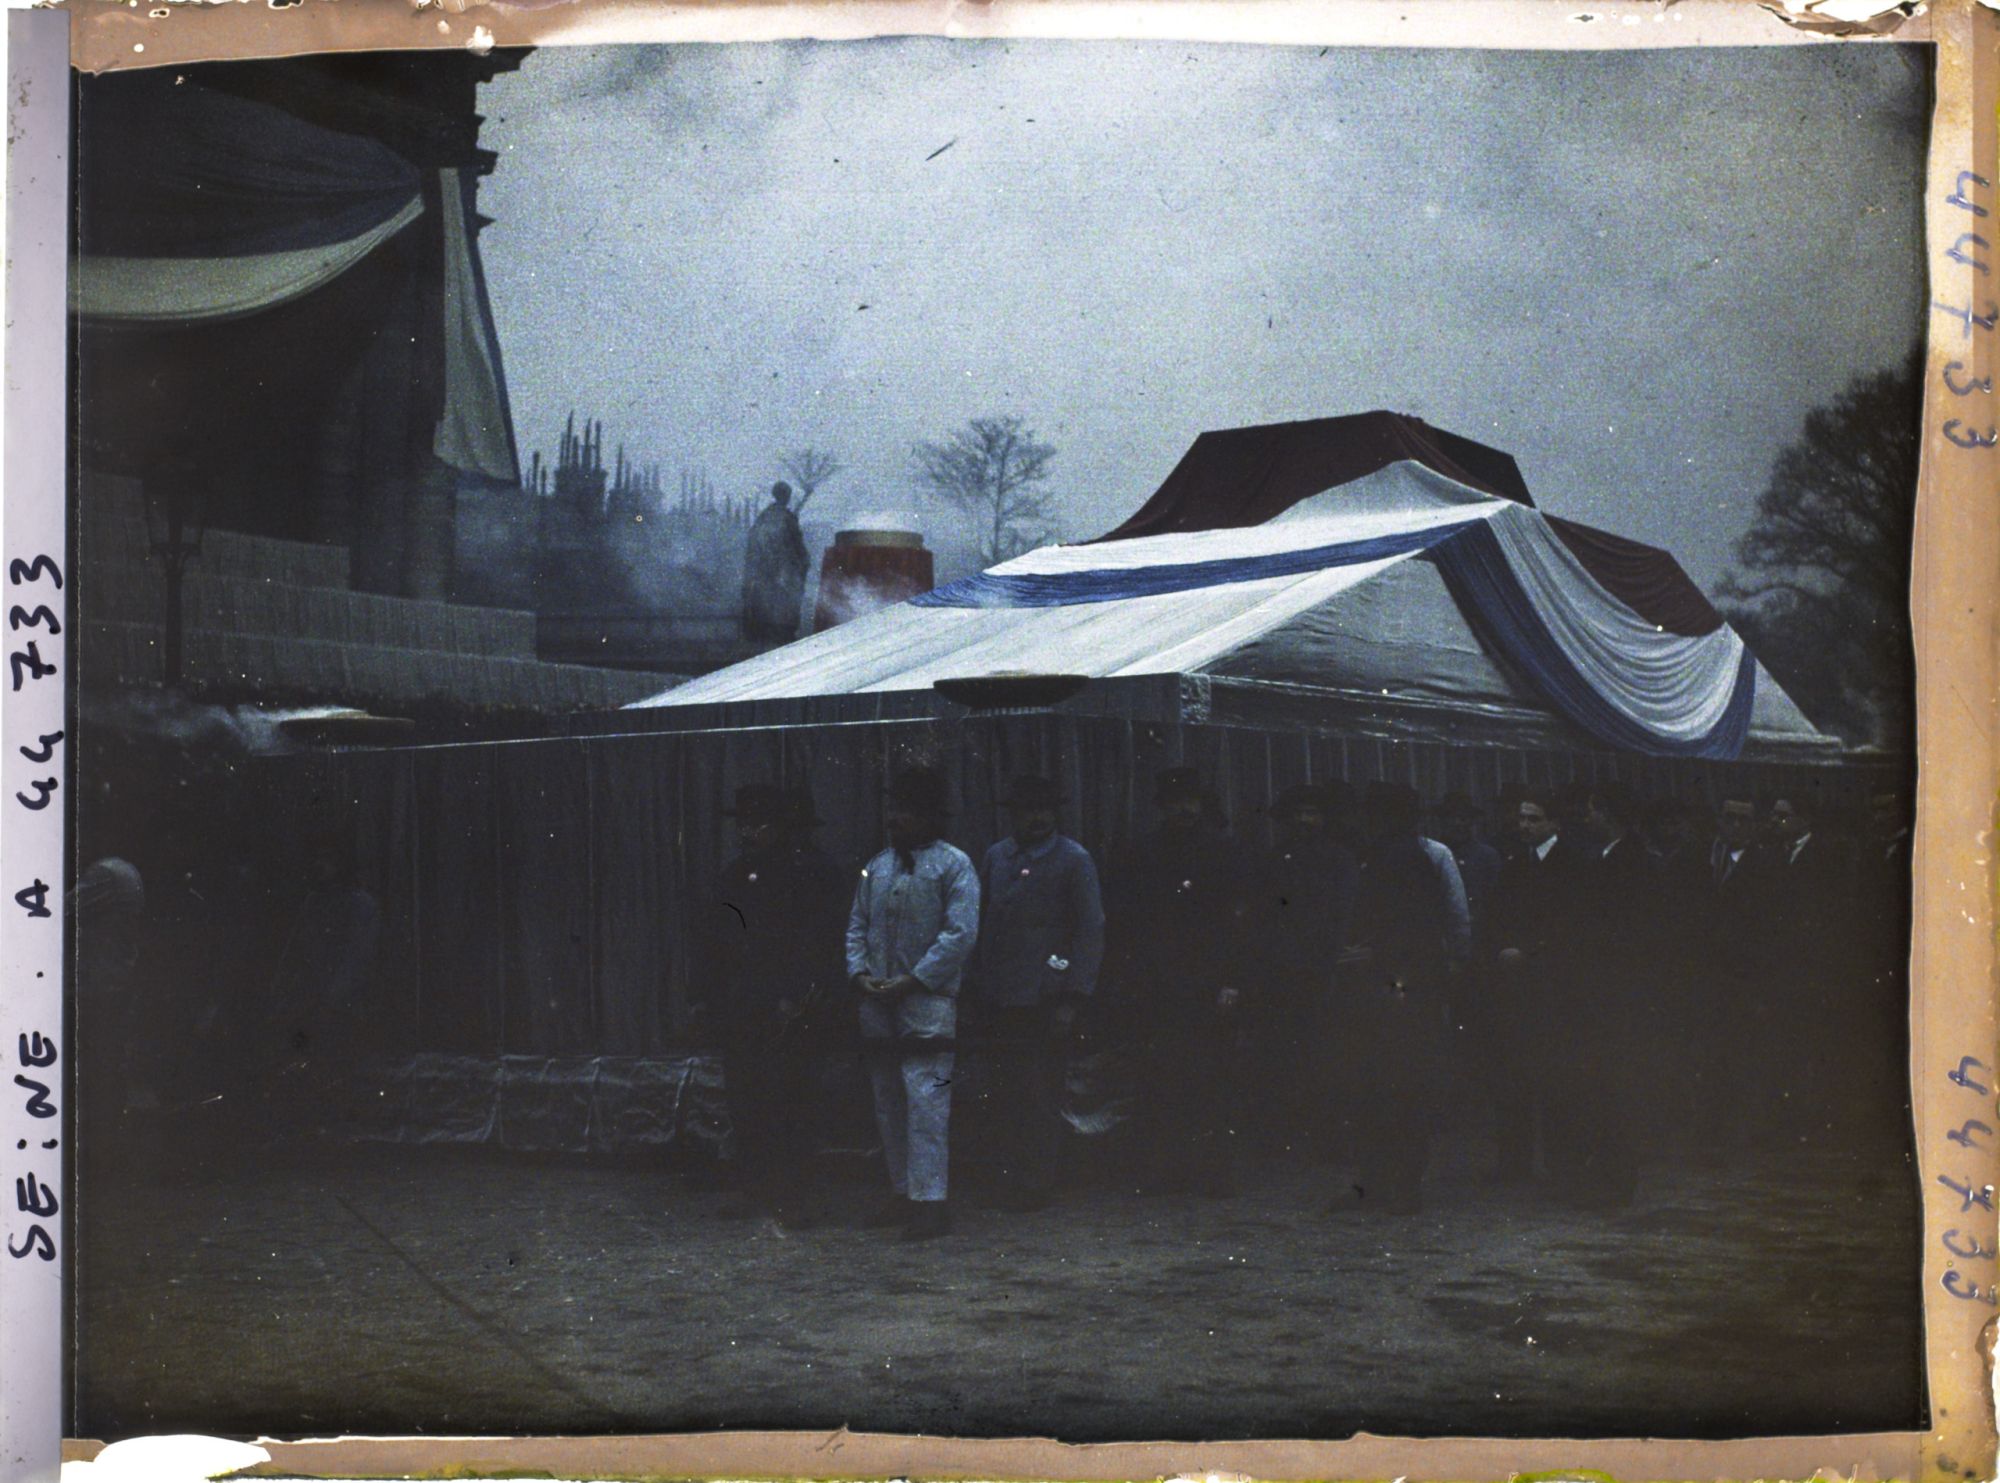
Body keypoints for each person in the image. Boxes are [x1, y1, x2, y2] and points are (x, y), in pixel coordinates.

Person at [695, 784, 851, 1225]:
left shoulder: (815, 875)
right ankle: (755, 1189)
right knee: (747, 1100)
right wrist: (704, 999)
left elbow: (823, 943)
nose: (749, 832)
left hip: (794, 1008)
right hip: (743, 1008)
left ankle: (796, 1195)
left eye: (759, 824)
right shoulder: (733, 875)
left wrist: (798, 996)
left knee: (794, 1101)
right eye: (744, 824)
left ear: (783, 828)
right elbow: (712, 940)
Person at [1103, 765, 1252, 1197]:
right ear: (1161, 807)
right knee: (1162, 1078)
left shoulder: (1225, 852)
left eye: (1190, 801)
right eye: (1174, 803)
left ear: (1202, 805)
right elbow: (1127, 921)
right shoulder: (1141, 853)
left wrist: (1233, 981)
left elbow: (1241, 924)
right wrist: (1131, 977)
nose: (1183, 809)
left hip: (1210, 984)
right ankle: (1167, 1171)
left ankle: (1214, 1173)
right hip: (1159, 983)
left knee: (1213, 1078)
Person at [846, 767, 980, 1240]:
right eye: (894, 809)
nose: (896, 818)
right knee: (887, 1100)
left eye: (907, 811)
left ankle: (930, 1202)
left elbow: (960, 934)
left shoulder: (954, 866)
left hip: (926, 1002)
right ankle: (901, 1191)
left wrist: (916, 979)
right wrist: (860, 973)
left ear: (929, 817)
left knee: (926, 1100)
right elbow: (857, 925)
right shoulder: (877, 867)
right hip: (877, 1000)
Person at [1327, 782, 1468, 1215]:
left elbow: (1417, 931)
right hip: (1398, 990)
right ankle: (1389, 1185)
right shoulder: (1395, 856)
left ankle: (1398, 1187)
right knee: (1389, 1089)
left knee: (1396, 1090)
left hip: (1400, 991)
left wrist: (1384, 967)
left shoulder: (1406, 859)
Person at [971, 775, 1105, 1210]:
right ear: (1014, 814)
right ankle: (1008, 1175)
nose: (1036, 818)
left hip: (1045, 997)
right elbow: (983, 921)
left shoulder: (1073, 860)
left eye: (1044, 809)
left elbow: (1089, 931)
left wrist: (1073, 996)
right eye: (1027, 810)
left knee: (1039, 1091)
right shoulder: (996, 857)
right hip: (999, 996)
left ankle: (1039, 1181)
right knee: (1005, 1088)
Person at [1483, 790, 1590, 1191]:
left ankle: (1563, 1167)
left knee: (1555, 1080)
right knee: (1513, 1080)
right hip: (1514, 992)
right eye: (1522, 817)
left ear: (1555, 824)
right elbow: (1494, 917)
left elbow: (1572, 926)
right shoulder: (1513, 864)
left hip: (1553, 989)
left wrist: (1527, 952)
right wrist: (1500, 951)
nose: (1524, 825)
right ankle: (1514, 1163)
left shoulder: (1572, 865)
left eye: (1534, 818)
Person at [1249, 783, 1358, 1157]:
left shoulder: (1340, 860)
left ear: (1324, 818)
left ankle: (1328, 1137)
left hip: (1324, 970)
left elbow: (1345, 915)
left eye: (1312, 813)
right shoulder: (1276, 859)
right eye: (1298, 814)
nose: (1304, 820)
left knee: (1327, 1052)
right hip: (1281, 971)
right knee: (1282, 1053)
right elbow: (1264, 915)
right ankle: (1283, 1136)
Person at [741, 480, 810, 644]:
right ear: (786, 496)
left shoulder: (763, 517)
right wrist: (804, 562)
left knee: (765, 603)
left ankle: (763, 634)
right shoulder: (787, 518)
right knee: (787, 603)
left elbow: (753, 543)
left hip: (763, 569)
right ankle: (783, 635)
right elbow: (797, 544)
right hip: (783, 569)